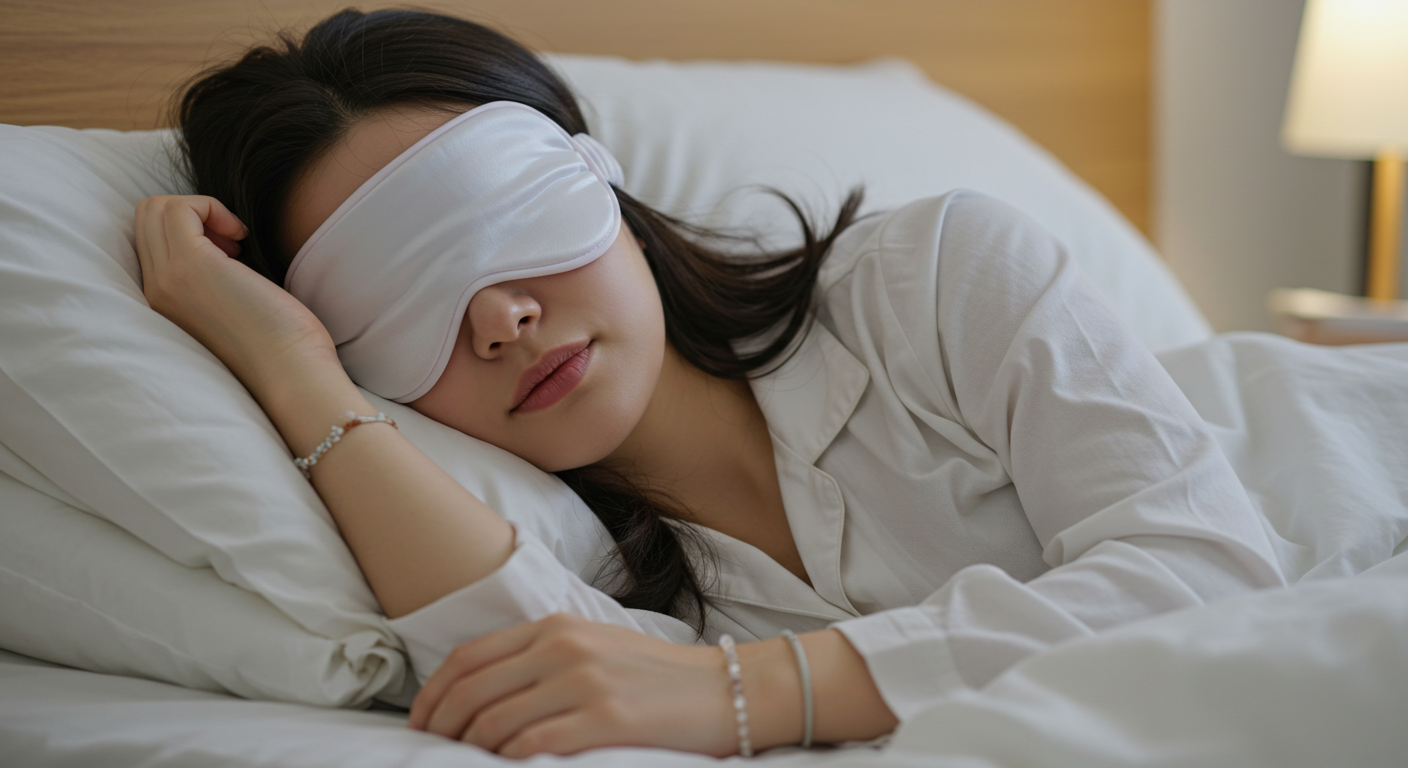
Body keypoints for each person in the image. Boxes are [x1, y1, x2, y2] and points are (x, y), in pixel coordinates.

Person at [133, 7, 1285, 760]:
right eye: (392, 299)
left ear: (601, 184)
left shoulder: (936, 275)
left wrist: (754, 691)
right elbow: (532, 684)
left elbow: (1208, 568)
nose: (499, 318)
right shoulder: (572, 562)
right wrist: (283, 365)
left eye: (501, 222)